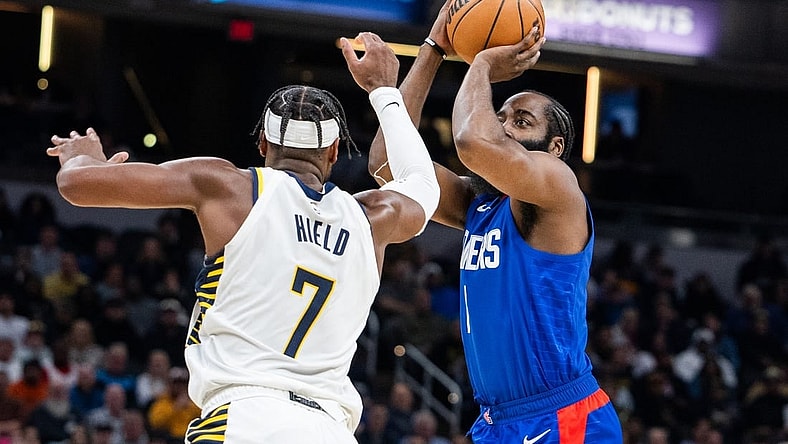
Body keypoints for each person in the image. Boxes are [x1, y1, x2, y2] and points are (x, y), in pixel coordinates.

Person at [47, 31, 439, 443]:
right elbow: (422, 184)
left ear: (263, 144)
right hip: (329, 429)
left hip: (243, 417)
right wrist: (384, 90)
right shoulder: (372, 217)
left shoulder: (228, 186)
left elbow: (76, 186)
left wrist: (80, 157)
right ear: (334, 152)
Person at [367, 1, 623, 441]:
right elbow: (387, 164)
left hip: (562, 417)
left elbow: (472, 141)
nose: (502, 126)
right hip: (496, 420)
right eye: (498, 116)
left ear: (555, 147)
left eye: (521, 122)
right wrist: (434, 48)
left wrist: (482, 63)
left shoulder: (559, 186)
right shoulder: (480, 204)